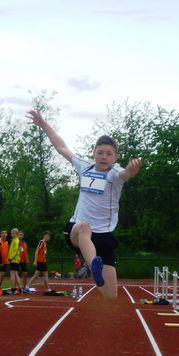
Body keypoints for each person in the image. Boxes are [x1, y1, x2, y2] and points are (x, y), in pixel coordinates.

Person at [27, 110, 142, 298]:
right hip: (78, 231)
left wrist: (131, 170)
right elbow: (61, 147)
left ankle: (94, 265)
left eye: (108, 154)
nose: (104, 156)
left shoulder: (115, 174)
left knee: (110, 294)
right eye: (100, 152)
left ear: (115, 158)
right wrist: (44, 124)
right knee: (84, 227)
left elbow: (125, 174)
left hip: (103, 235)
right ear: (93, 153)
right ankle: (92, 264)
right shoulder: (85, 166)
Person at [8, 228, 22, 292]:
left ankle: (13, 288)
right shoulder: (15, 240)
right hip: (15, 259)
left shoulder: (15, 241)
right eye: (12, 233)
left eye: (14, 233)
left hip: (14, 259)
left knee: (13, 274)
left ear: (17, 234)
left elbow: (16, 251)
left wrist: (10, 259)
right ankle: (19, 288)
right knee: (15, 274)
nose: (12, 234)